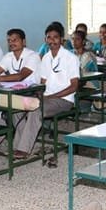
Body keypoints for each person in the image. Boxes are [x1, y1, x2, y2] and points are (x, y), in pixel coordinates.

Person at [13, 23, 80, 161]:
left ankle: (24, 148)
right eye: (49, 37)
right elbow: (42, 83)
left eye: (56, 37)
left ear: (62, 39)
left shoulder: (71, 58)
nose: (52, 40)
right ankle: (21, 143)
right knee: (17, 108)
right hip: (46, 98)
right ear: (45, 39)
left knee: (35, 111)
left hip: (64, 100)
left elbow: (74, 86)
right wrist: (36, 94)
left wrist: (51, 96)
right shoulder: (45, 58)